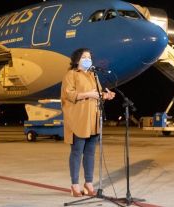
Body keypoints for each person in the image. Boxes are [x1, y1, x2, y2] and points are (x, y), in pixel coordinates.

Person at [61, 48, 115, 197]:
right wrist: (88, 94)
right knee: (77, 152)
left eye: (89, 57)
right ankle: (74, 185)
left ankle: (89, 183)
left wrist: (106, 95)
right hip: (78, 119)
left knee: (90, 153)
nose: (88, 59)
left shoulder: (93, 75)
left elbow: (96, 94)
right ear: (77, 59)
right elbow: (69, 94)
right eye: (84, 57)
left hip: (93, 119)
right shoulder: (71, 75)